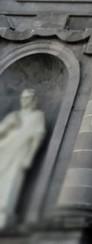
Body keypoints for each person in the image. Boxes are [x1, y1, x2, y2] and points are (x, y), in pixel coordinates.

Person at [0, 89, 46, 229]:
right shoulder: (14, 115)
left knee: (12, 180)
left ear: (34, 99)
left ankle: (4, 212)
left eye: (28, 98)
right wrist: (8, 126)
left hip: (20, 152)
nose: (25, 100)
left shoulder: (38, 115)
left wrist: (29, 157)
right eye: (23, 98)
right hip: (5, 149)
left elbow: (38, 136)